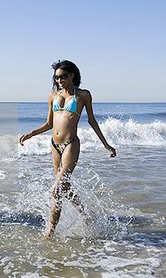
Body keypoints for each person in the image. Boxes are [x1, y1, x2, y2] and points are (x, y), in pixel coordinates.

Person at [19, 60, 116, 238]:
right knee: (64, 188)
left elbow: (92, 121)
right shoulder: (52, 95)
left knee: (56, 188)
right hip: (54, 146)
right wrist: (31, 133)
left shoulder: (83, 95)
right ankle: (86, 214)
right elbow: (49, 123)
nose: (59, 80)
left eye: (63, 76)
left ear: (72, 75)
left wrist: (106, 145)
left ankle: (49, 231)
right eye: (56, 78)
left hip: (71, 144)